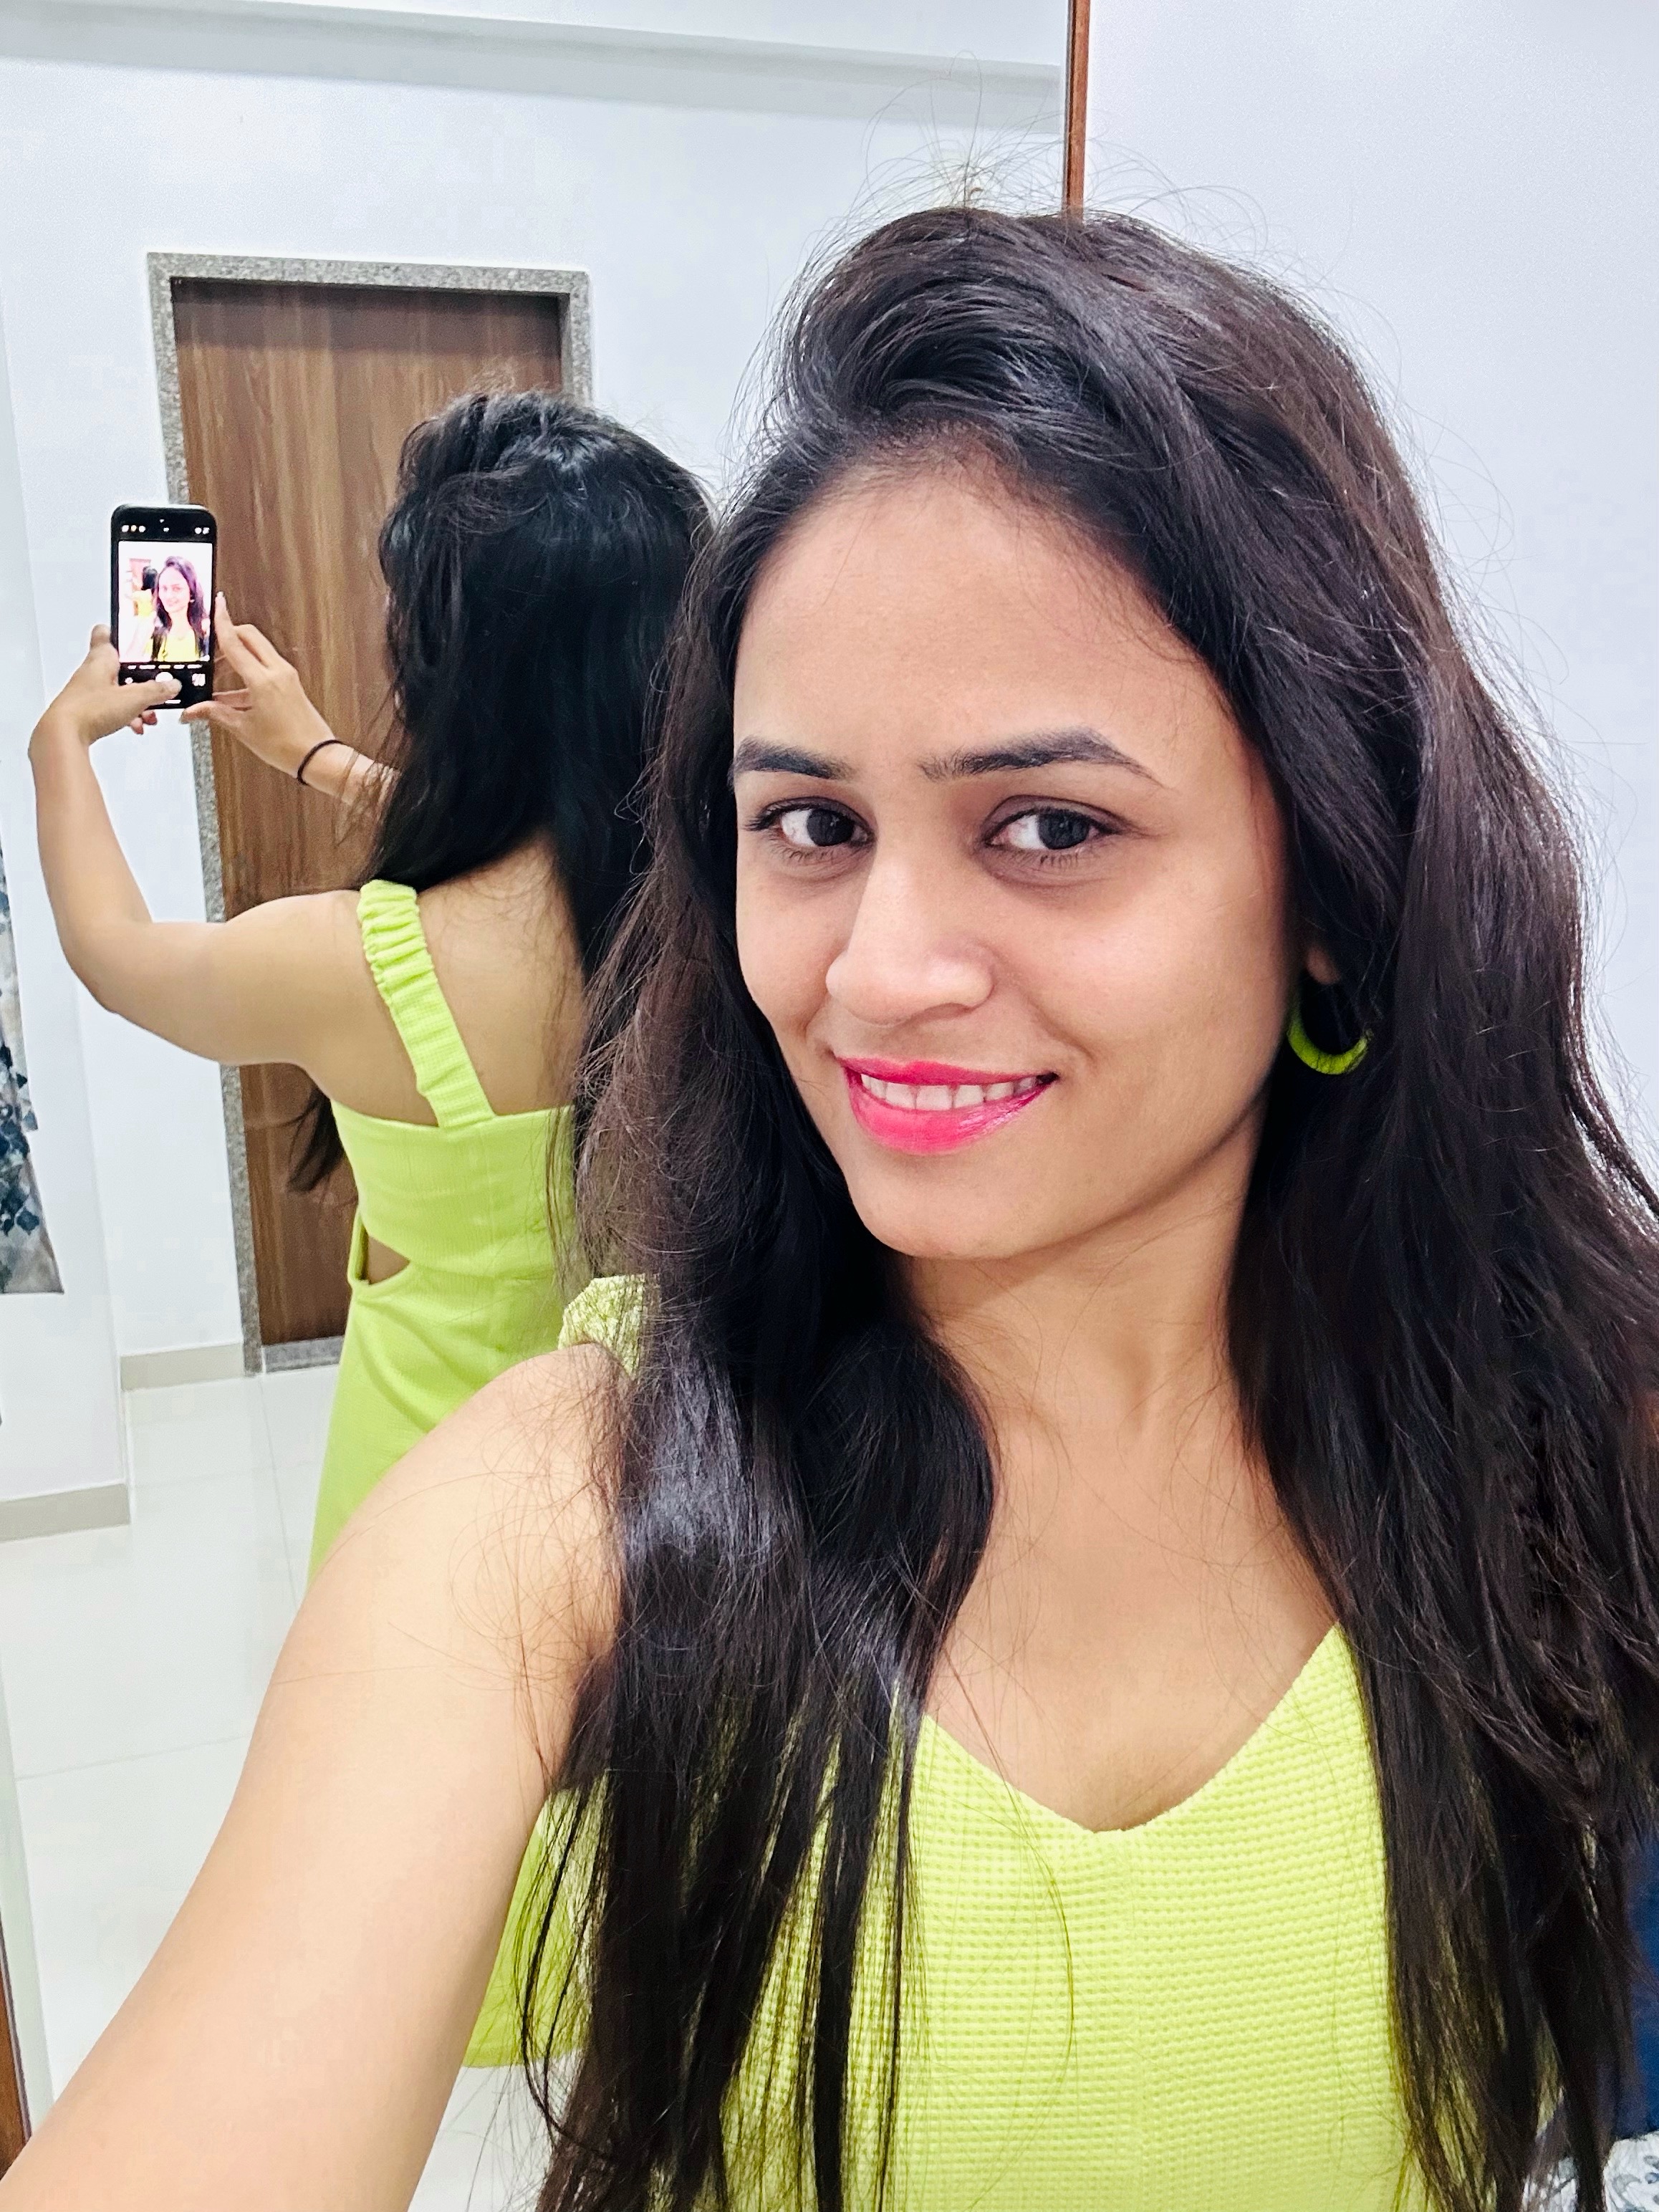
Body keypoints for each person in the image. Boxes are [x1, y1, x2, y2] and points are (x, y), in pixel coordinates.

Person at [9, 206, 1659, 2212]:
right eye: (810, 822)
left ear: (1332, 876)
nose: (875, 972)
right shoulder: (559, 1512)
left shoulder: (1549, 1425)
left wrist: (89, 752)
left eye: (1044, 825)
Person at [29, 391, 708, 1585]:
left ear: (450, 677)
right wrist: (315, 756)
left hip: (419, 1501)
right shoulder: (730, 908)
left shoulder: (353, 964)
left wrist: (58, 748)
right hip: (658, 1494)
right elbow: (546, 840)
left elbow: (115, 951)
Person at [149, 553, 208, 660]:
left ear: (191, 593)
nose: (169, 596)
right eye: (164, 588)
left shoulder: (205, 636)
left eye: (177, 588)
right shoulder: (155, 638)